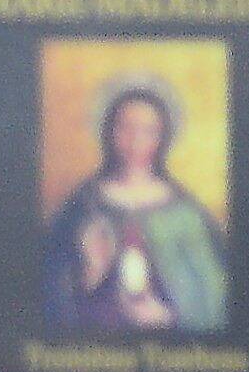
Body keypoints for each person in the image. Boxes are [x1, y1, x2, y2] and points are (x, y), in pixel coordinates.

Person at [44, 84, 227, 333]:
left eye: (148, 131)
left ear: (163, 137)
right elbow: (52, 285)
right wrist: (89, 273)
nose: (136, 141)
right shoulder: (84, 205)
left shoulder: (184, 211)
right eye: (125, 128)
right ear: (108, 131)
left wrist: (170, 317)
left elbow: (213, 293)